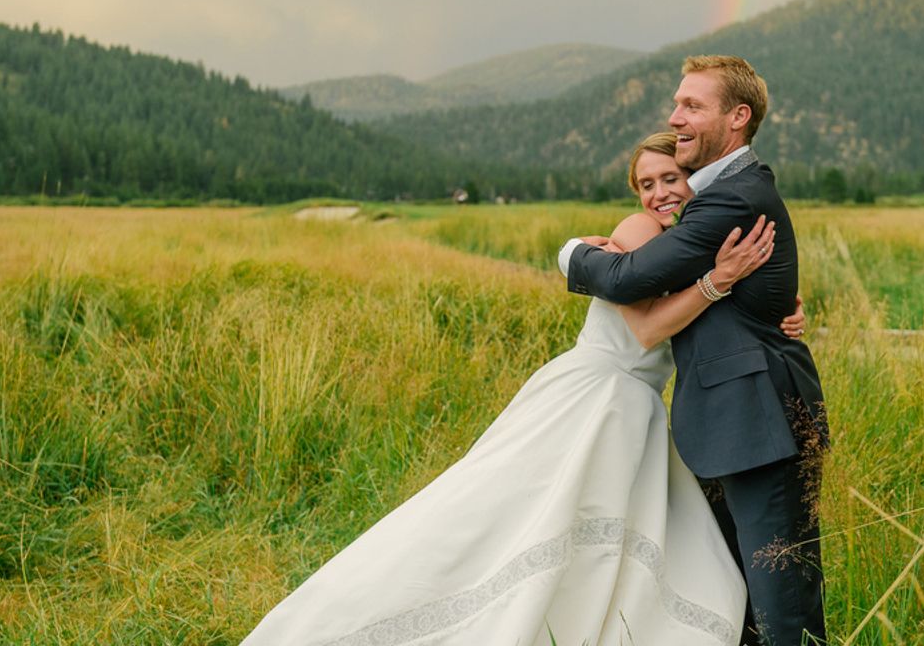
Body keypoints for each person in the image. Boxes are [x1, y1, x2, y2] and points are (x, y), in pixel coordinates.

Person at [239, 133, 806, 646]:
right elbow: (648, 327)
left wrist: (777, 313)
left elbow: (706, 318)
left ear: (692, 175)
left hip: (632, 405)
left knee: (595, 526)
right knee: (525, 511)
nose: (659, 193)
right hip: (600, 394)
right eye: (646, 184)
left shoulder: (686, 240)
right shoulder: (640, 232)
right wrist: (718, 281)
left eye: (670, 179)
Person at [560, 56, 827, 646]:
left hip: (759, 423)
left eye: (692, 106)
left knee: (781, 597)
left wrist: (572, 254)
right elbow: (676, 284)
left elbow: (630, 281)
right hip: (720, 423)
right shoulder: (703, 209)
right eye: (676, 104)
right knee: (734, 588)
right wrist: (748, 295)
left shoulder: (731, 197)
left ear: (738, 117)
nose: (676, 116)